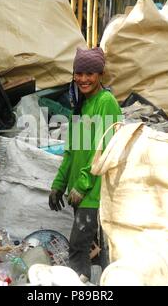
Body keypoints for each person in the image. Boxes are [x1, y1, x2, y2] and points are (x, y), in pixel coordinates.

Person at [48, 47, 122, 281]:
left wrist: (82, 184)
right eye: (78, 73)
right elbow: (71, 153)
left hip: (95, 193)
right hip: (82, 194)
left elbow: (104, 150)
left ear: (100, 74)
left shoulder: (106, 102)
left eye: (89, 74)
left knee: (79, 249)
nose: (83, 79)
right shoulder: (80, 106)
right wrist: (59, 184)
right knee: (95, 253)